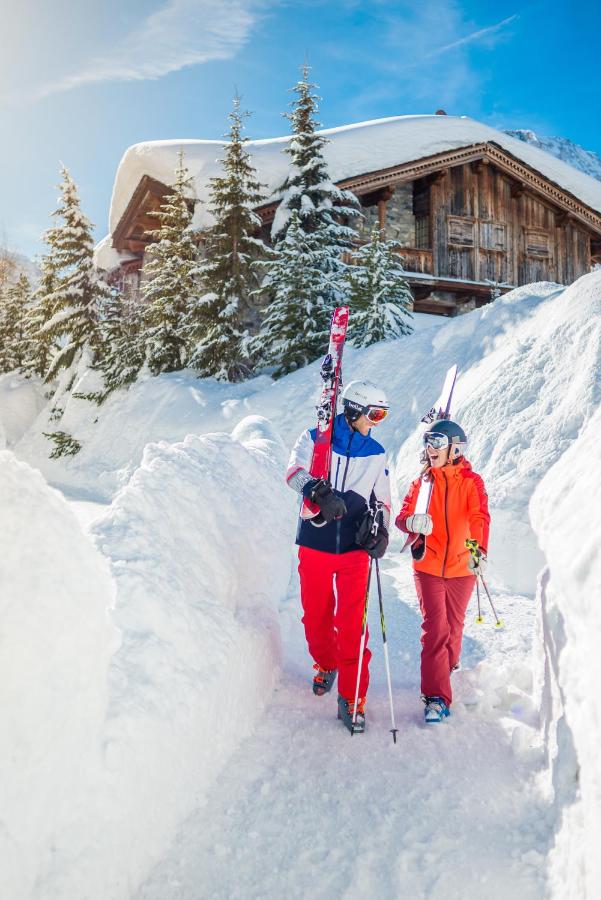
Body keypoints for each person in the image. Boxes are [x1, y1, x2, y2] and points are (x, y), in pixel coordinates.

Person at [286, 380, 392, 734]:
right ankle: (325, 662)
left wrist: (381, 531)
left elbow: (384, 501)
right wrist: (315, 490)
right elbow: (293, 472)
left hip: (353, 550)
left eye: (382, 415)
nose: (376, 422)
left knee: (352, 627)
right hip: (315, 540)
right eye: (374, 414)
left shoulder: (377, 452)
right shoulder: (316, 438)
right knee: (315, 618)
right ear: (354, 410)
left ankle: (352, 695)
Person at [395, 419, 490, 724]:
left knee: (453, 627)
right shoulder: (423, 484)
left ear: (455, 449)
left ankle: (444, 670)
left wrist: (478, 551)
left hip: (463, 566)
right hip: (429, 565)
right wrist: (411, 522)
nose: (430, 448)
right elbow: (403, 515)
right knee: (436, 628)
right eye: (428, 442)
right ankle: (436, 696)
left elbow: (479, 517)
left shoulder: (471, 482)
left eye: (437, 442)